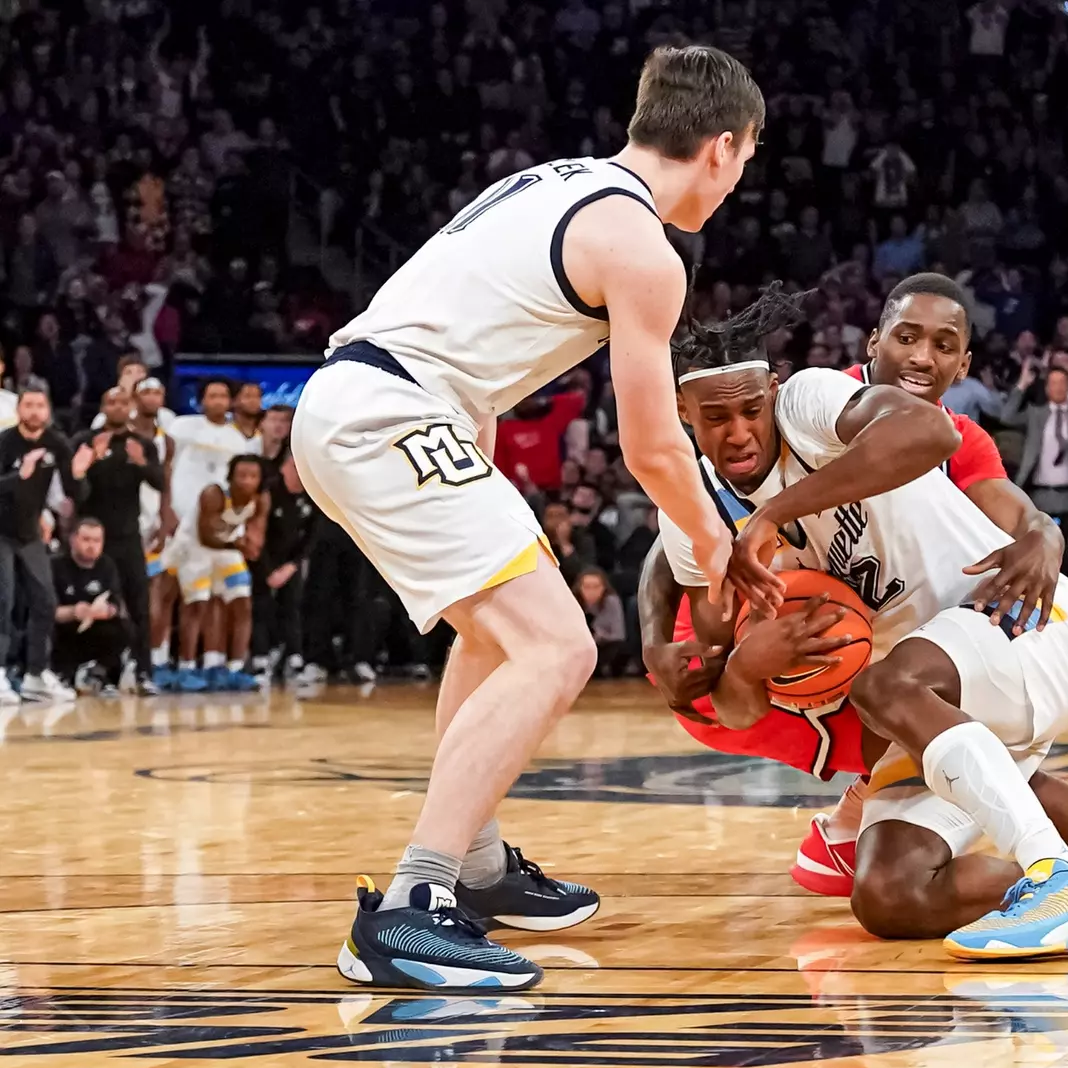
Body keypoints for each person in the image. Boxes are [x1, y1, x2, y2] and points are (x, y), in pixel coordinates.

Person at [291, 46, 780, 991]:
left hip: (370, 400)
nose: (736, 181)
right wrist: (716, 543)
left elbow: (446, 317)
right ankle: (408, 908)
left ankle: (470, 864)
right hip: (388, 412)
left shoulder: (557, 183)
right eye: (746, 161)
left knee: (500, 635)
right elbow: (651, 446)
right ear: (722, 148)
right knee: (562, 649)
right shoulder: (643, 249)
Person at [658, 287, 1068, 959]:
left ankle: (1059, 881)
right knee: (892, 893)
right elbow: (733, 704)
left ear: (773, 391)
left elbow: (933, 432)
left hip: (1028, 624)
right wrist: (749, 661)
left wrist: (775, 516)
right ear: (682, 413)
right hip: (940, 699)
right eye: (717, 418)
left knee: (881, 690)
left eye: (751, 409)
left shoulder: (811, 402)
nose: (741, 431)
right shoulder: (692, 516)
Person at [152, 379, 261, 687]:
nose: (219, 400)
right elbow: (166, 466)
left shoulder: (237, 439)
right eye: (212, 395)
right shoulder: (184, 426)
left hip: (217, 530)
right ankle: (158, 662)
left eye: (224, 395)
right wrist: (166, 510)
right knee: (168, 593)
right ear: (201, 401)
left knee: (212, 599)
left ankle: (211, 664)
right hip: (182, 524)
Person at [0, 382, 91, 703]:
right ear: (18, 410)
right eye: (29, 405)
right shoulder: (5, 442)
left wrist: (78, 474)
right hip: (1, 531)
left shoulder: (57, 443)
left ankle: (36, 674)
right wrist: (19, 476)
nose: (35, 411)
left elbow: (75, 495)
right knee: (4, 600)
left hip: (29, 533)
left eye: (40, 405)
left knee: (45, 601)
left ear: (48, 411)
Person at [74, 387, 165, 693]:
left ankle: (143, 672)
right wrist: (89, 465)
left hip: (128, 536)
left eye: (123, 402)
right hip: (94, 540)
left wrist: (141, 463)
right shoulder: (85, 441)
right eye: (111, 402)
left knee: (139, 606)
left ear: (132, 407)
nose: (117, 407)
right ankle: (98, 671)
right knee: (97, 604)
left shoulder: (142, 444)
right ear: (102, 406)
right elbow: (77, 492)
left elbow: (160, 482)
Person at [173, 455, 267, 691]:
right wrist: (239, 545)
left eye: (253, 476)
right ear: (230, 477)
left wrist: (251, 544)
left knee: (242, 602)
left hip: (226, 547)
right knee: (197, 605)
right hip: (193, 548)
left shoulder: (260, 501)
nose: (247, 481)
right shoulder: (214, 494)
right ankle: (186, 668)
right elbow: (206, 536)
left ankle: (234, 668)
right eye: (242, 475)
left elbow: (256, 538)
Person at [1000, 359, 1068, 523]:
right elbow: (1006, 417)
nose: (1058, 387)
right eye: (1053, 383)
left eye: (1062, 383)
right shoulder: (1034, 414)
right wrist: (1022, 384)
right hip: (1039, 496)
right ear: (1047, 387)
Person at [52, 517, 129, 691]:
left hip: (96, 626)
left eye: (97, 540)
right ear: (73, 540)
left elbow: (117, 604)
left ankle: (100, 673)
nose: (91, 545)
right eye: (86, 539)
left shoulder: (107, 565)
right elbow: (48, 610)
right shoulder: (56, 565)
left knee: (124, 628)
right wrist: (73, 611)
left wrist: (107, 611)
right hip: (66, 629)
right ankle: (61, 675)